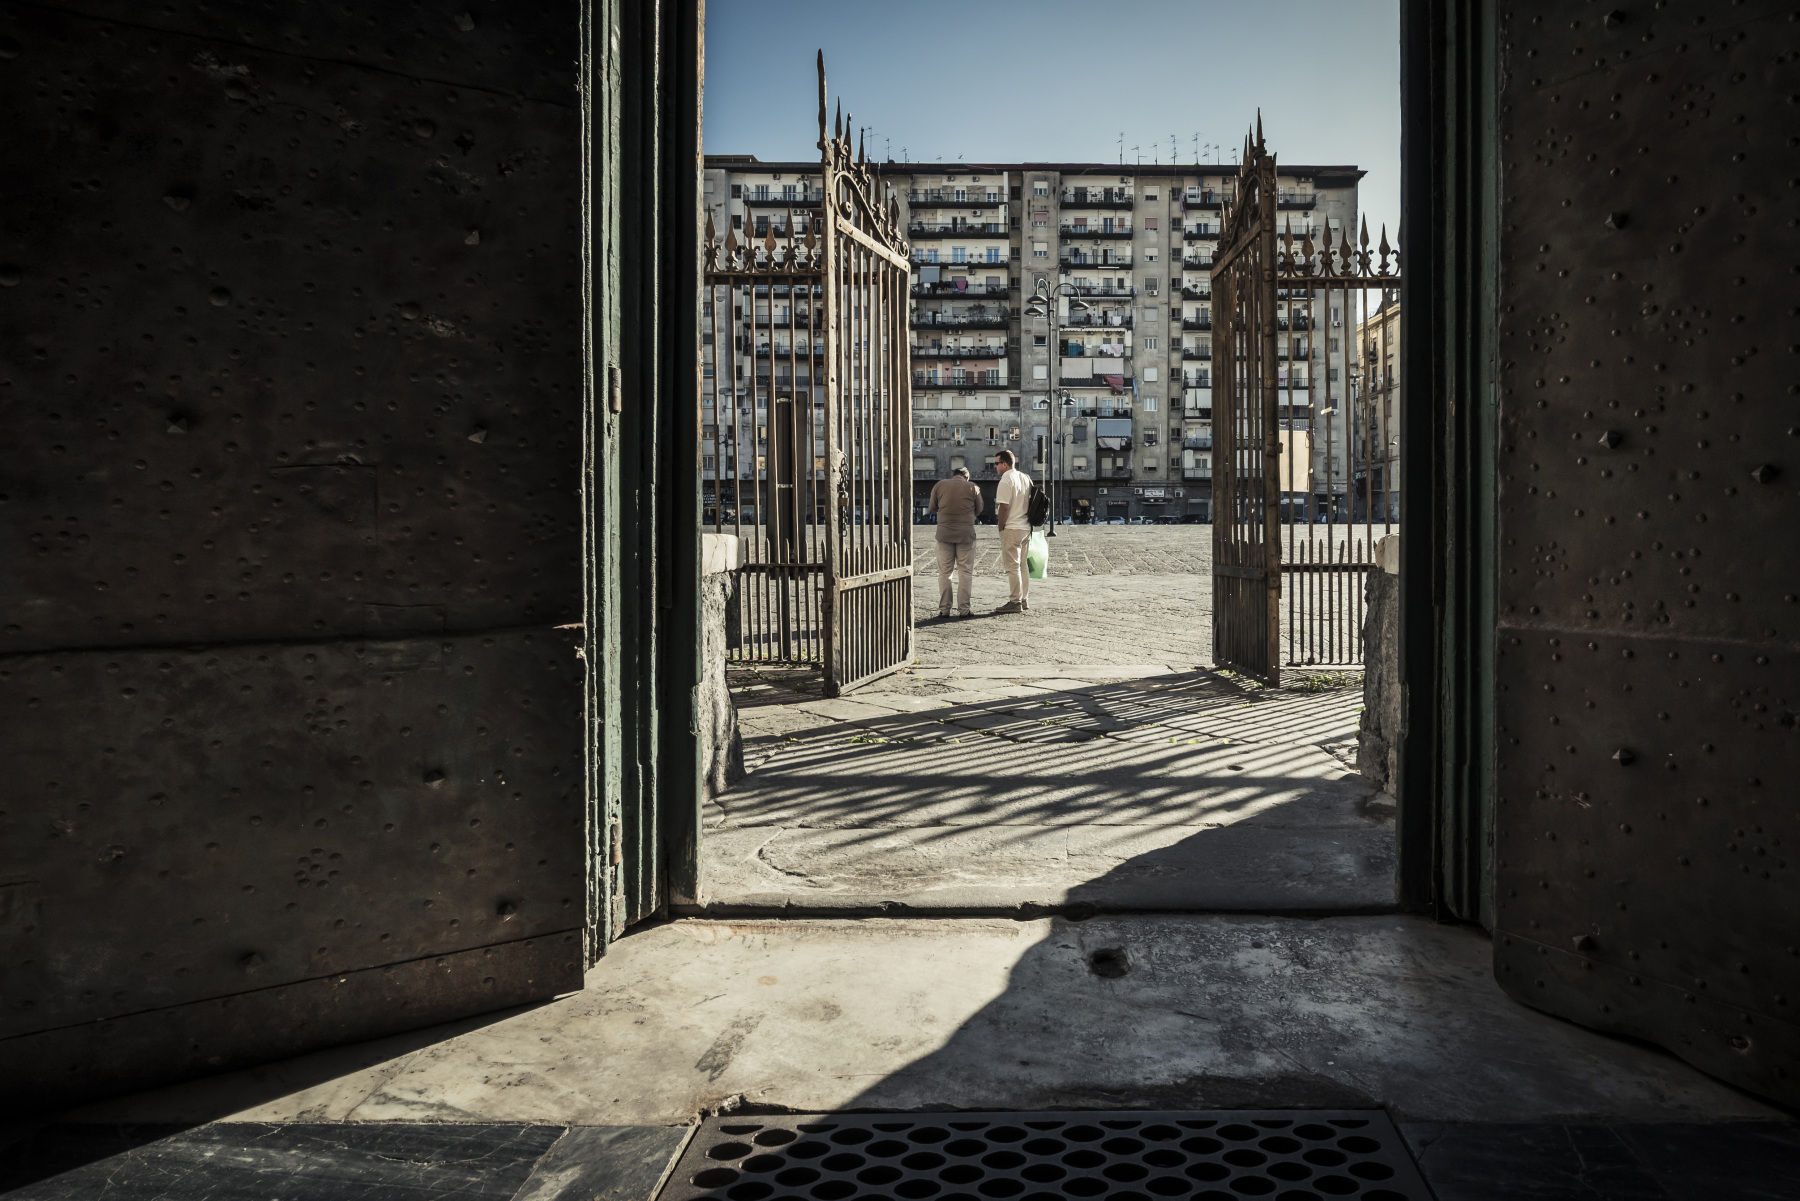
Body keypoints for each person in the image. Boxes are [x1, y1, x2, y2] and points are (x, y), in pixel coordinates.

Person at [927, 465, 983, 618]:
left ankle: (944, 610)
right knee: (965, 572)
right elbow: (979, 509)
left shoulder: (939, 485)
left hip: (944, 535)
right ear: (967, 477)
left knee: (945, 573)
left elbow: (932, 507)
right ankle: (964, 610)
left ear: (954, 475)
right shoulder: (973, 487)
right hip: (966, 535)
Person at [991, 449, 1032, 615]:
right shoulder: (1025, 478)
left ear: (1005, 464)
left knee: (1013, 566)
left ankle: (1015, 601)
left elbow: (1004, 507)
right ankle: (1024, 599)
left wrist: (1001, 526)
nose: (995, 467)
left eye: (996, 463)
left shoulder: (1006, 480)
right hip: (1025, 527)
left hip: (1012, 527)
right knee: (1023, 566)